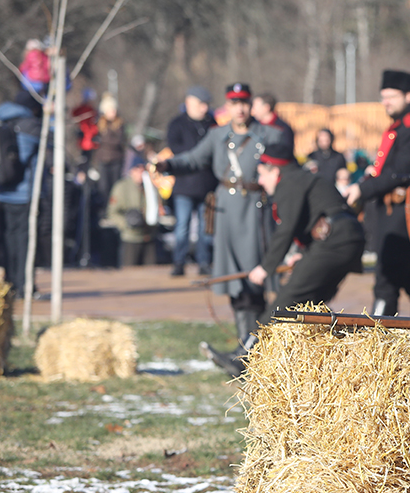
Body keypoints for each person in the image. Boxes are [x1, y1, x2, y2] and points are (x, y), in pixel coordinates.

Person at [210, 141, 365, 376]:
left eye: (262, 174)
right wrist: (304, 254)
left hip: (333, 241)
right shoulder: (301, 178)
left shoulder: (289, 182)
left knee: (285, 301)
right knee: (310, 304)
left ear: (275, 171)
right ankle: (309, 362)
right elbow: (314, 216)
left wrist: (265, 267)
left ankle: (245, 358)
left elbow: (287, 228)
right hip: (341, 239)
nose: (260, 181)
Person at [156, 82, 286, 352]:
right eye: (234, 103)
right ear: (227, 106)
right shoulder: (217, 136)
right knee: (234, 282)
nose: (240, 109)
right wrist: (167, 165)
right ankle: (244, 345)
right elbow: (193, 159)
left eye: (244, 103)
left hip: (255, 210)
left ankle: (256, 347)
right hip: (226, 211)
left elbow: (287, 168)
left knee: (255, 278)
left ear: (251, 105)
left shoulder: (270, 135)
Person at [342, 70, 410, 317]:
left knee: (387, 281)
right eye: (383, 96)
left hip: (408, 213)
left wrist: (362, 189)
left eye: (391, 97)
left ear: (408, 96)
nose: (385, 102)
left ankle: (378, 331)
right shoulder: (401, 125)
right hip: (395, 212)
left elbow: (399, 172)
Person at [0, 91, 43, 296]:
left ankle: (10, 283)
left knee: (8, 238)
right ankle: (24, 285)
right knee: (24, 241)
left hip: (2, 191)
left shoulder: (1, 121)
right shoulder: (30, 125)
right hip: (23, 193)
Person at [167, 86, 218, 277]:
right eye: (201, 104)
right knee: (182, 227)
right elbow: (177, 151)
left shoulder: (211, 124)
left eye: (206, 104)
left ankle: (204, 262)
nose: (205, 108)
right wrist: (198, 155)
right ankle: (179, 262)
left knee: (206, 228)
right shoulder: (177, 124)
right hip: (185, 184)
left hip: (207, 185)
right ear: (189, 103)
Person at [107, 156, 157, 266]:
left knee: (151, 271)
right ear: (131, 171)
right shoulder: (121, 187)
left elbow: (158, 206)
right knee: (129, 270)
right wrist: (126, 224)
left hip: (149, 236)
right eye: (137, 170)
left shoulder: (151, 186)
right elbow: (113, 212)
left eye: (143, 170)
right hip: (130, 237)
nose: (140, 173)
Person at [91, 92, 126, 206]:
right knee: (103, 187)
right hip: (103, 160)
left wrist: (104, 139)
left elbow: (118, 141)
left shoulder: (119, 124)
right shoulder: (99, 124)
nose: (113, 112)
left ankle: (114, 207)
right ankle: (104, 208)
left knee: (115, 187)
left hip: (116, 160)